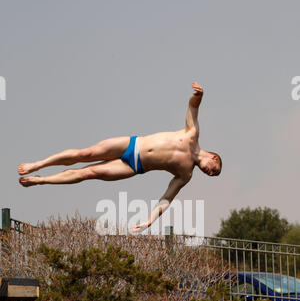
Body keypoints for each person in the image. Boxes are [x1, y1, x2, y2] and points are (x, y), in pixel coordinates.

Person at [18, 82, 222, 232]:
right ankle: (38, 165)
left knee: (88, 173)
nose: (209, 173)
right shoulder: (192, 134)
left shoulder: (185, 174)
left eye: (212, 176)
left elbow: (167, 197)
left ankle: (40, 180)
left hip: (134, 167)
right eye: (213, 170)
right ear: (212, 157)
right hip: (132, 144)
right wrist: (199, 95)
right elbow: (193, 108)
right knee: (84, 154)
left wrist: (150, 220)